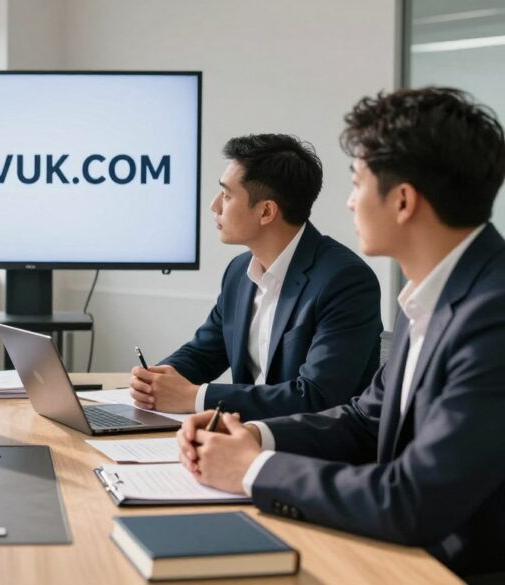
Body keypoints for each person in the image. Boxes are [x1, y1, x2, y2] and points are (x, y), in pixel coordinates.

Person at [177, 87, 505, 580]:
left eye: (357, 184)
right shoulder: (441, 292)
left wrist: (252, 470)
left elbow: (412, 499)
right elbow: (362, 421)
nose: (349, 204)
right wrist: (251, 436)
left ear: (402, 200)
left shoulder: (492, 314)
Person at [130, 134, 383, 420]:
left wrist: (196, 397)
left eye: (226, 195)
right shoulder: (239, 272)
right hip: (243, 438)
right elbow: (204, 353)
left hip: (310, 452)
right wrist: (155, 381)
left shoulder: (345, 280)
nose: (215, 206)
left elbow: (317, 396)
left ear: (266, 212)